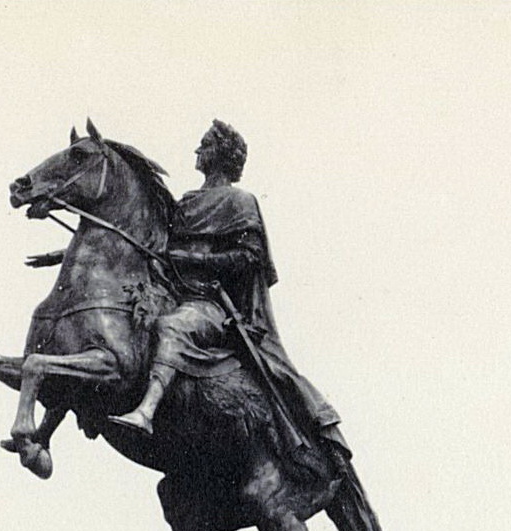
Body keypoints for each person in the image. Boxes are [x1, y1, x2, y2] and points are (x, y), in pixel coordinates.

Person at [110, 121, 347, 477]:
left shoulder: (240, 202)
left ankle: (147, 410)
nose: (196, 150)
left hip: (210, 305)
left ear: (221, 154)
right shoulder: (188, 201)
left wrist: (196, 260)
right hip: (172, 292)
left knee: (171, 327)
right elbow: (154, 247)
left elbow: (249, 259)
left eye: (204, 144)